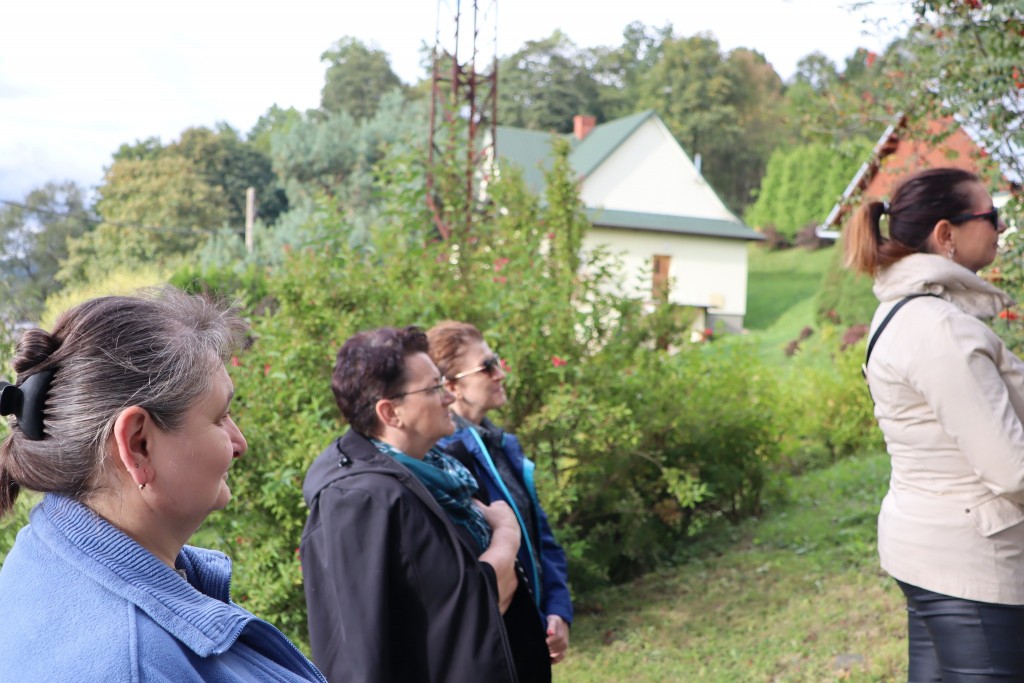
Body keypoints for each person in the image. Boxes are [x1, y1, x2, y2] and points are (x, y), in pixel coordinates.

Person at [0, 287, 325, 682]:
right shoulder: (135, 666)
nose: (239, 443)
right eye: (220, 417)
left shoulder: (43, 559)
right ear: (138, 445)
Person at [845, 167, 1024, 681]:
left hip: (929, 550)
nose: (1001, 228)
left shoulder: (903, 311)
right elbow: (1012, 470)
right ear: (946, 234)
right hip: (972, 562)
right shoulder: (939, 329)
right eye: (991, 216)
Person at [302, 326, 547, 683]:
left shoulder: (439, 472)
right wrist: (507, 530)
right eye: (433, 388)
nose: (448, 396)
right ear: (391, 412)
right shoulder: (358, 502)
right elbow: (478, 601)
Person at [428, 321, 574, 665]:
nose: (500, 374)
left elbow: (540, 538)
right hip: (489, 646)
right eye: (487, 367)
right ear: (452, 386)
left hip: (529, 635)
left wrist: (558, 610)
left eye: (497, 362)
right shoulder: (444, 461)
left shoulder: (503, 446)